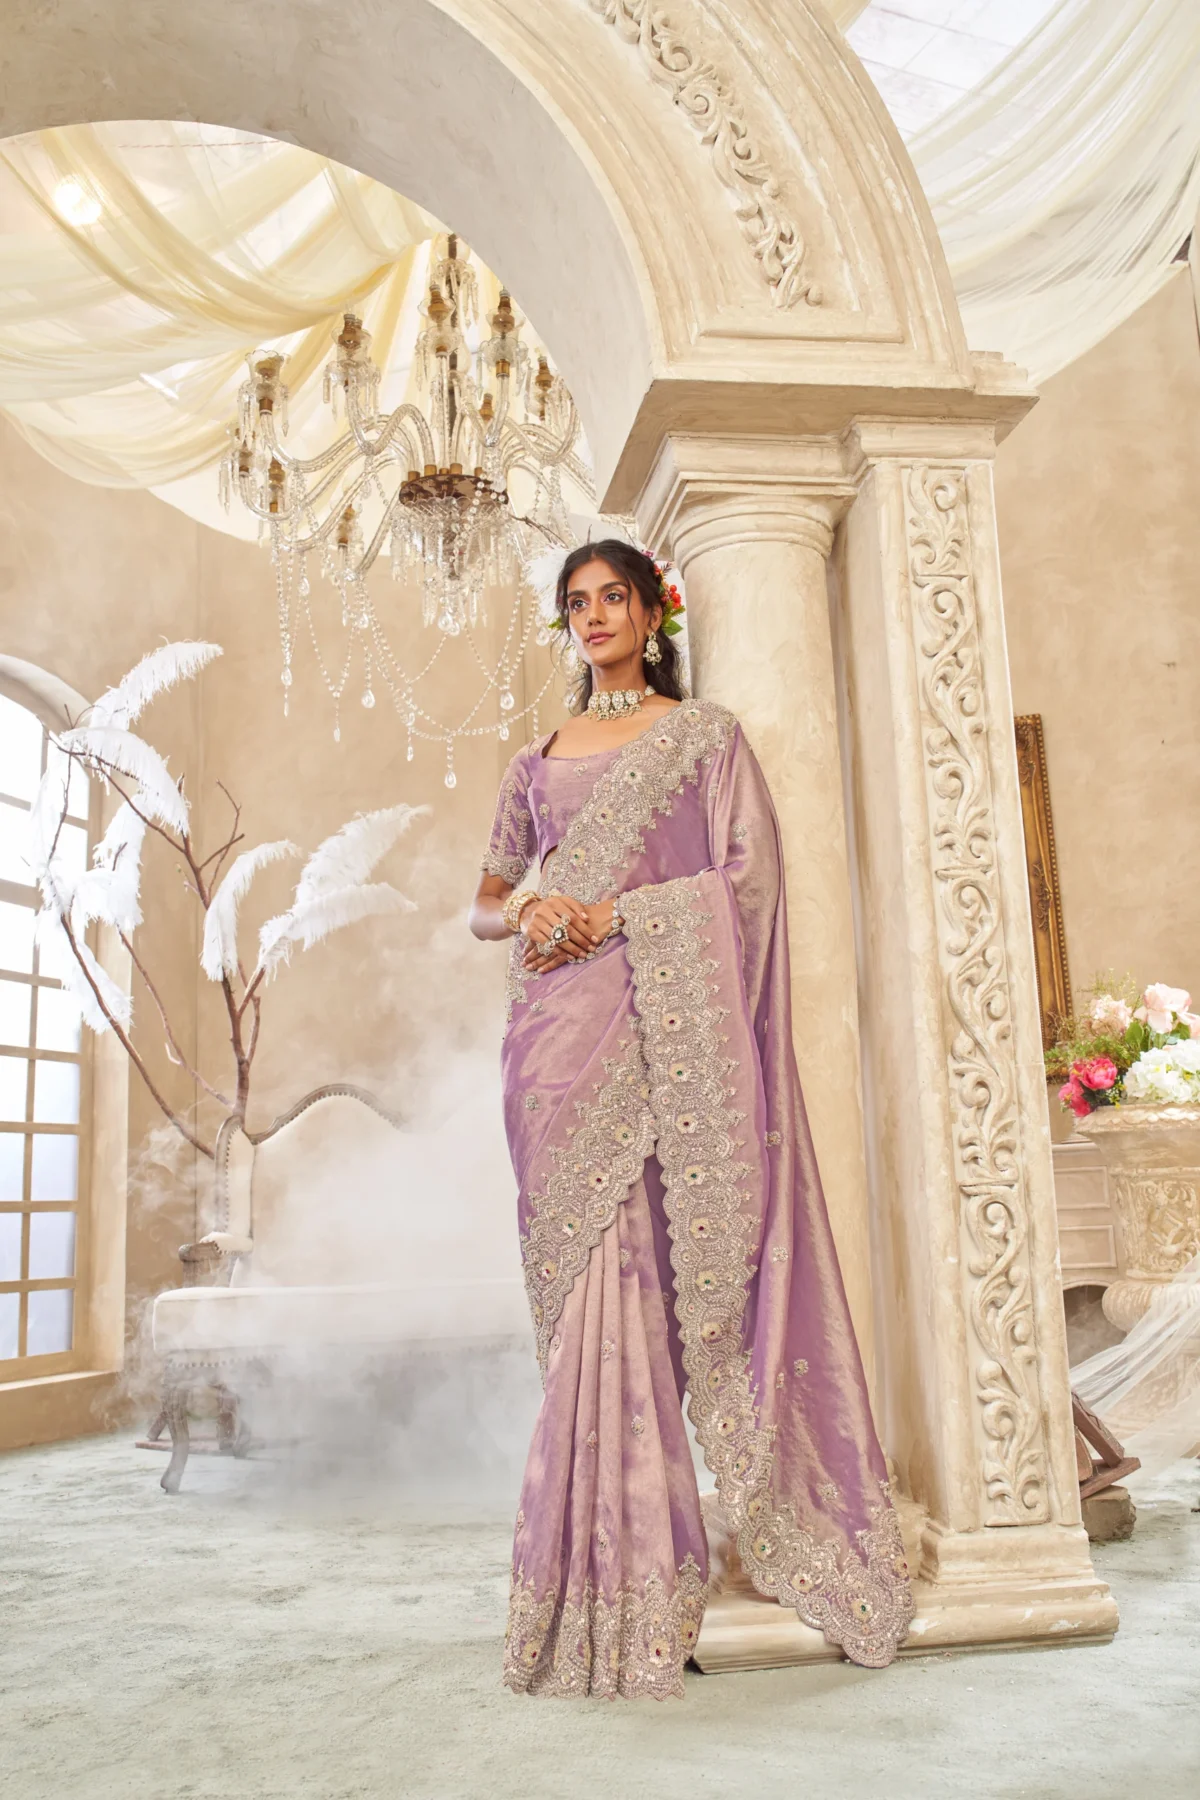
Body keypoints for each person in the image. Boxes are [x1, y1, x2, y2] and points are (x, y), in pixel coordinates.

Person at [469, 540, 913, 1699]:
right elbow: (484, 907)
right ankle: (587, 1568)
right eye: (576, 604)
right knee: (582, 1303)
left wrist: (613, 912)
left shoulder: (702, 737)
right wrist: (538, 905)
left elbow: (747, 880)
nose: (594, 617)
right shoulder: (537, 758)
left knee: (648, 1289)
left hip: (659, 1035)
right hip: (553, 1044)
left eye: (612, 596)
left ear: (653, 609)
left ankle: (647, 1566)